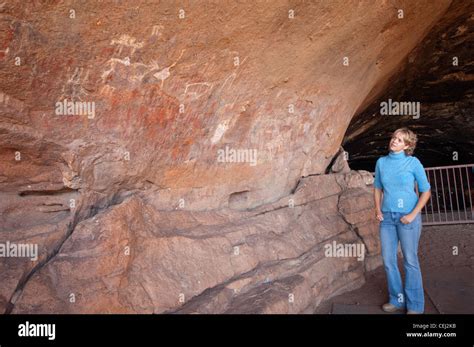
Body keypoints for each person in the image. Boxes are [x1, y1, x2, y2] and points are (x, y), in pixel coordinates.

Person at [373, 127, 431, 314]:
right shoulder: (381, 162)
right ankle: (397, 300)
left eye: (399, 140)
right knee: (388, 260)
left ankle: (415, 306)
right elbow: (377, 188)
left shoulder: (413, 163)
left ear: (407, 145)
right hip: (387, 218)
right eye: (393, 138)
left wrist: (413, 214)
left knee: (410, 260)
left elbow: (425, 191)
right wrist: (377, 209)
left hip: (408, 217)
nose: (394, 141)